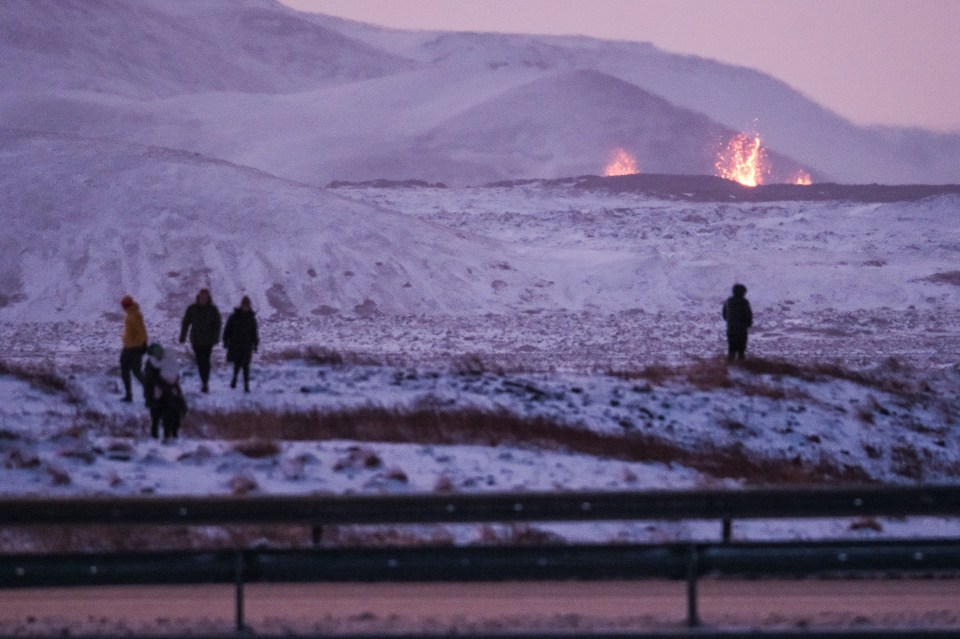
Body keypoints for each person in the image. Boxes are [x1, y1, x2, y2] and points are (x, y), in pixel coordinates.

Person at [179, 288, 222, 393]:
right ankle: (204, 380)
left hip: (208, 341)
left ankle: (205, 382)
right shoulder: (192, 308)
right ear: (199, 297)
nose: (203, 299)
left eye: (205, 297)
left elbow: (218, 324)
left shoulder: (213, 309)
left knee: (205, 361)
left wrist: (216, 337)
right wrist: (183, 336)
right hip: (196, 340)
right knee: (200, 361)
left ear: (208, 298)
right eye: (202, 297)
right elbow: (186, 322)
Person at [143, 343, 186, 440]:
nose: (159, 355)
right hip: (157, 393)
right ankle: (157, 437)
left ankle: (171, 435)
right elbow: (151, 379)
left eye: (160, 352)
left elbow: (174, 374)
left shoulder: (168, 361)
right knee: (157, 415)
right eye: (156, 353)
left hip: (166, 392)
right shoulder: (151, 365)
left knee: (171, 413)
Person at [223, 296, 259, 393]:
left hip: (247, 345)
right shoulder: (234, 317)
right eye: (244, 305)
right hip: (236, 345)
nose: (245, 307)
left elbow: (254, 332)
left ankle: (246, 385)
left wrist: (255, 344)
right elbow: (227, 330)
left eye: (247, 305)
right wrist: (226, 341)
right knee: (237, 364)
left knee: (246, 366)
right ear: (242, 305)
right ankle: (234, 379)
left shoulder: (251, 318)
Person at [119, 295, 148, 403]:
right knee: (127, 371)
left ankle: (149, 392)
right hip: (129, 346)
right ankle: (129, 395)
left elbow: (141, 330)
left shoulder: (134, 315)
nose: (124, 306)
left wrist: (143, 344)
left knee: (135, 371)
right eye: (124, 304)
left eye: (126, 304)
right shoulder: (130, 314)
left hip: (135, 347)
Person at [722, 283, 753, 361]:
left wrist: (730, 322)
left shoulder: (729, 301)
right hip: (741, 330)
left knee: (731, 350)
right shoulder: (744, 302)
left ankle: (730, 368)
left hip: (731, 329)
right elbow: (748, 315)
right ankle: (740, 369)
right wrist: (748, 324)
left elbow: (724, 314)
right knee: (741, 351)